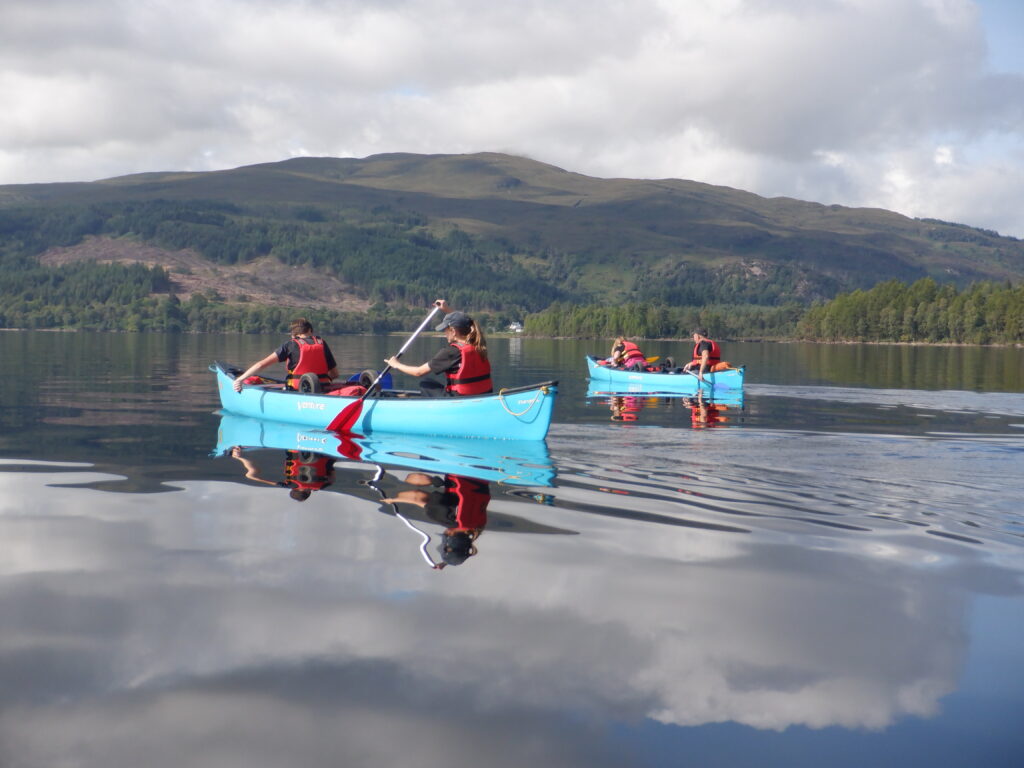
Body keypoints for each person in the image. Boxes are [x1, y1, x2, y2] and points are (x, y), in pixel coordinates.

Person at [382, 472, 490, 569]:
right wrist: (393, 500)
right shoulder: (446, 519)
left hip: (482, 476)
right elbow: (416, 497)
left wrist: (444, 563)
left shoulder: (478, 525)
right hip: (459, 472)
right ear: (447, 542)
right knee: (409, 479)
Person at [385, 300, 492, 397]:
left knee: (425, 384)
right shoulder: (478, 344)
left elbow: (418, 372)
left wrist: (396, 365)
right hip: (484, 395)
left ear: (453, 331)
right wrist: (447, 309)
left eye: (445, 330)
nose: (445, 333)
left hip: (459, 398)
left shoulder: (451, 352)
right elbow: (467, 322)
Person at [232, 318, 339, 392]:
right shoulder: (321, 343)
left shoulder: (290, 344)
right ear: (310, 330)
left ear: (293, 334)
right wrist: (320, 383)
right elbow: (334, 374)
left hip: (297, 389)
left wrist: (239, 380)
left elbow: (261, 365)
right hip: (323, 389)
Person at [230, 447, 335, 502]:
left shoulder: (324, 484)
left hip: (322, 449)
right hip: (294, 446)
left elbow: (332, 468)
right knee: (250, 475)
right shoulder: (290, 484)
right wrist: (240, 459)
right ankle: (237, 453)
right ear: (293, 490)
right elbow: (256, 477)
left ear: (309, 493)